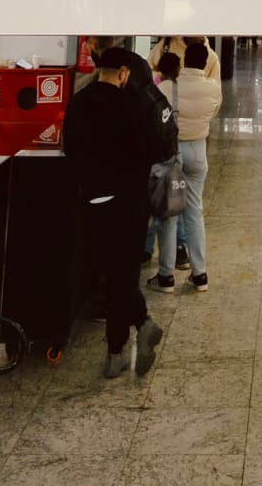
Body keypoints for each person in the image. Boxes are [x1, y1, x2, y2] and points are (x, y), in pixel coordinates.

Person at [62, 45, 166, 378]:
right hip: (128, 202)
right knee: (123, 274)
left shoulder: (78, 102)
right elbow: (151, 150)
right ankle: (119, 347)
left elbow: (70, 150)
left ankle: (139, 330)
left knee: (107, 270)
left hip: (93, 200)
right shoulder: (130, 104)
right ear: (123, 74)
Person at [149, 41, 222, 295]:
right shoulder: (213, 88)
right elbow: (213, 112)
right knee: (194, 212)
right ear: (205, 63)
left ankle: (166, 276)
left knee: (169, 215)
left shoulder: (167, 88)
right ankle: (200, 274)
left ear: (184, 60)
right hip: (198, 152)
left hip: (173, 153)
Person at [145, 52, 183, 268]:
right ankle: (181, 248)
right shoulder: (179, 89)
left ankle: (147, 248)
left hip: (160, 154)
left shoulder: (155, 90)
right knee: (176, 203)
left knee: (155, 202)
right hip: (175, 152)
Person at [149, 35, 221, 81]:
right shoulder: (166, 44)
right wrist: (161, 79)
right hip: (166, 97)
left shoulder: (212, 57)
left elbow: (215, 92)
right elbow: (148, 71)